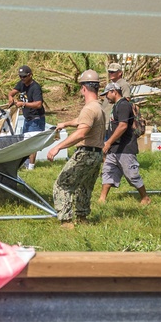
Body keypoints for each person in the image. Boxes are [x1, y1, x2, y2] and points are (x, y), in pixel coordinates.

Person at [45, 69, 106, 227]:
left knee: (62, 185)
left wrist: (57, 147)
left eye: (80, 88)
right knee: (84, 188)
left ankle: (66, 222)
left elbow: (81, 133)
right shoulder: (98, 107)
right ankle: (82, 218)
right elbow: (82, 121)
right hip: (97, 154)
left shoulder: (88, 109)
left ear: (84, 88)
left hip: (85, 154)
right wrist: (65, 123)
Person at [98, 82, 150, 205]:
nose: (106, 97)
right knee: (108, 171)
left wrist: (108, 142)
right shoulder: (116, 106)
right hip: (115, 148)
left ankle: (145, 197)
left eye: (107, 94)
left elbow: (122, 126)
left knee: (132, 175)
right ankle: (102, 199)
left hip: (125, 147)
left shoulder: (123, 105)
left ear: (114, 91)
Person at [7, 64, 45, 170]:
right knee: (25, 141)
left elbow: (38, 104)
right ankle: (26, 163)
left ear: (30, 75)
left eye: (24, 76)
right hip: (27, 118)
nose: (22, 79)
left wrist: (23, 104)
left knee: (32, 142)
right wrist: (10, 97)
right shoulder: (21, 84)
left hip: (36, 119)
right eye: (20, 76)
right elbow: (12, 92)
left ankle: (31, 167)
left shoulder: (35, 87)